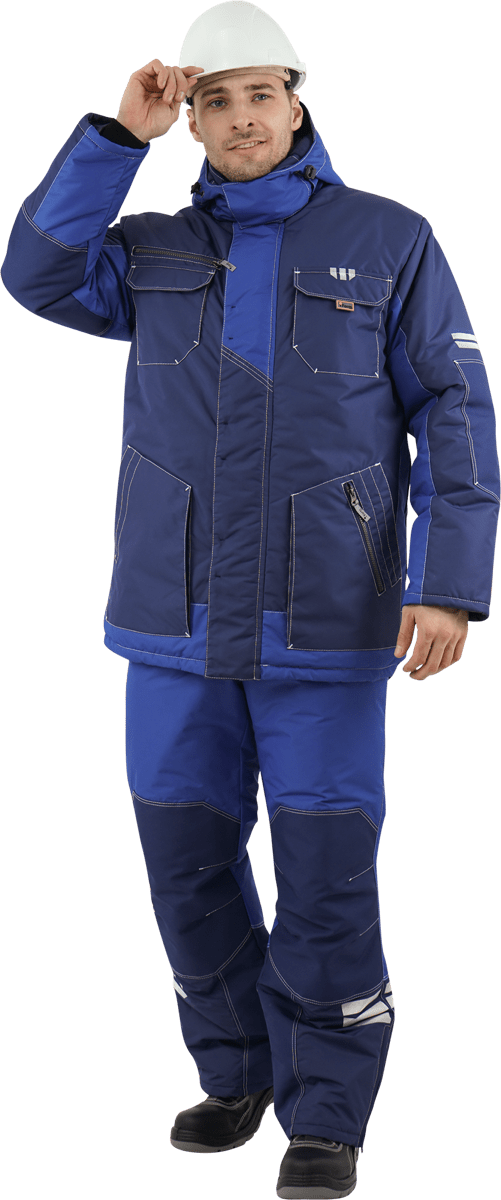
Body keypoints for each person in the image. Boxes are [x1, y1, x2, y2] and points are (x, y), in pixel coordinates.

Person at [2, 2, 499, 1196]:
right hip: (171, 625)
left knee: (326, 877)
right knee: (185, 867)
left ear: (296, 99)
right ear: (191, 120)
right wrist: (116, 140)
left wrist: (449, 587)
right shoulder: (151, 249)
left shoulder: (390, 238)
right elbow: (36, 274)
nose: (240, 119)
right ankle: (236, 1071)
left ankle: (327, 1109)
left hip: (328, 622)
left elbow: (455, 413)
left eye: (259, 95)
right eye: (214, 101)